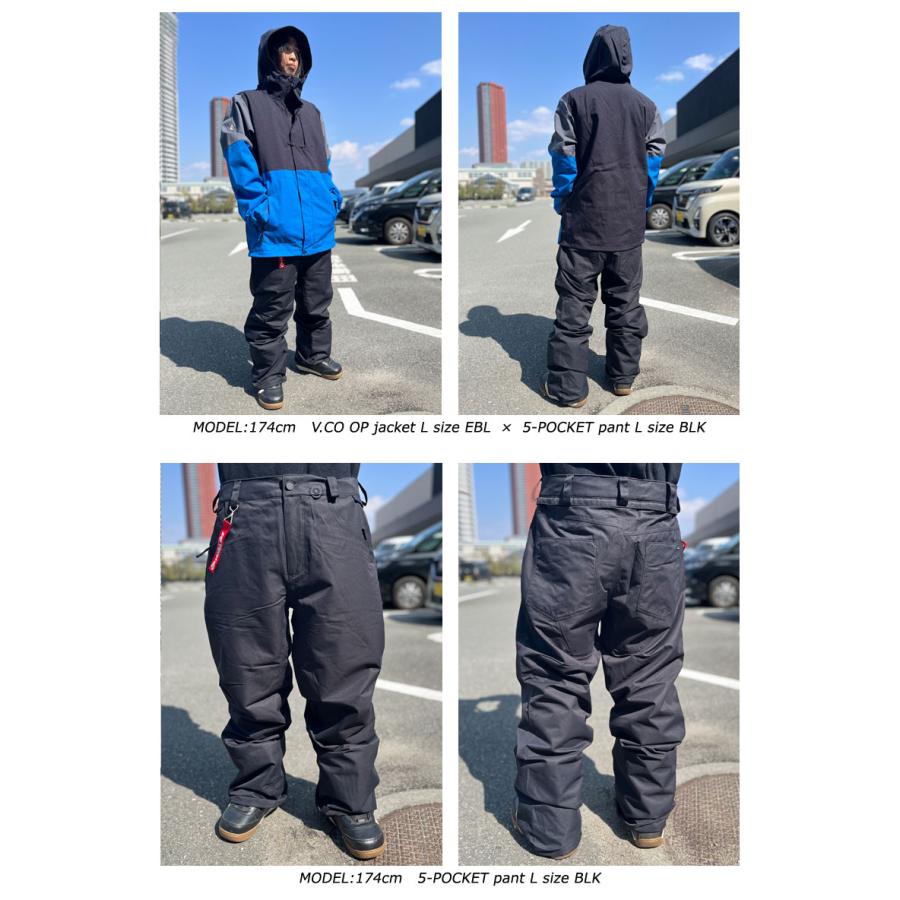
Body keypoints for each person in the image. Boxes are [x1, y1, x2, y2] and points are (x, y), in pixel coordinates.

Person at [203, 464, 386, 860]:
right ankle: (257, 786)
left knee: (344, 667)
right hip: (245, 514)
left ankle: (349, 798)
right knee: (247, 671)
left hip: (333, 514)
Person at [514, 464, 685, 858]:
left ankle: (551, 829)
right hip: (655, 517)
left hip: (571, 517)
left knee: (556, 674)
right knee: (650, 674)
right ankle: (647, 817)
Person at [221, 27, 344, 411]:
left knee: (316, 302)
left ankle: (312, 355)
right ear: (269, 56)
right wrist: (261, 210)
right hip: (275, 232)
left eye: (297, 52)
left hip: (318, 230)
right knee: (272, 309)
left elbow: (324, 164)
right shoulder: (246, 103)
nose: (292, 57)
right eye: (285, 50)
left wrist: (331, 198)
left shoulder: (312, 112)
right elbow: (239, 162)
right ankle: (268, 375)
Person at [543, 26, 666, 408]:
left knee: (575, 305)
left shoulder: (573, 100)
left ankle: (569, 390)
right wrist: (641, 204)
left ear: (592, 56)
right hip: (627, 226)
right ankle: (622, 378)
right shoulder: (647, 106)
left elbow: (564, 157)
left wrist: (565, 200)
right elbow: (653, 163)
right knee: (625, 302)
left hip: (583, 224)